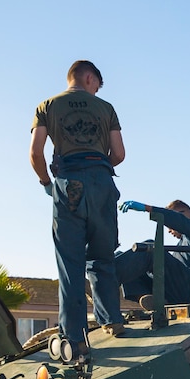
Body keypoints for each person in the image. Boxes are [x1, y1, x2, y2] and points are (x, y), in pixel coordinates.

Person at [30, 60, 127, 357]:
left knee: (70, 265)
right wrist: (97, 170)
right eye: (98, 83)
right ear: (88, 77)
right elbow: (120, 154)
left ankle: (74, 338)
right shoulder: (105, 108)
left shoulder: (47, 106)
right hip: (101, 182)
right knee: (102, 257)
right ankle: (111, 319)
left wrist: (48, 183)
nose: (98, 89)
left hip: (67, 183)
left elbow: (36, 153)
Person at [115, 200, 190, 309]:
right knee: (126, 256)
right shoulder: (180, 248)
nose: (169, 231)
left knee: (151, 249)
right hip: (174, 291)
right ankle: (146, 298)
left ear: (181, 214)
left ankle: (105, 275)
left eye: (170, 226)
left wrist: (148, 209)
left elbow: (182, 223)